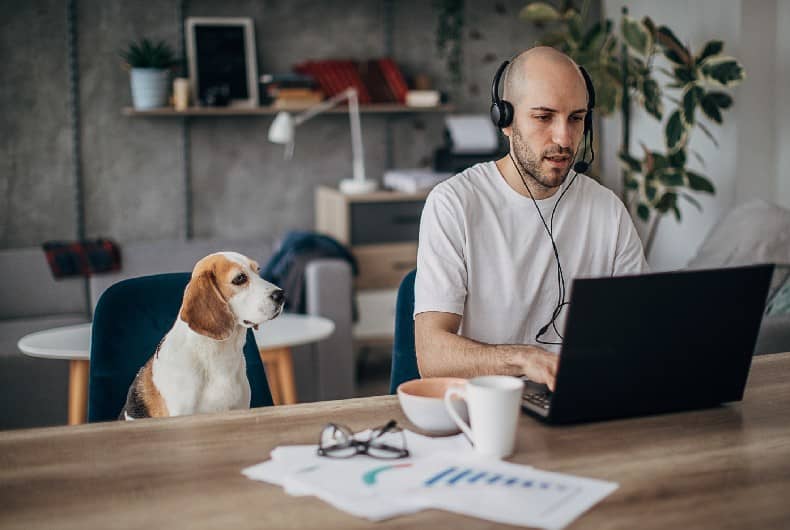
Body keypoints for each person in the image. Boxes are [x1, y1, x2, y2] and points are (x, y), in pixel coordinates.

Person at [414, 47, 648, 391]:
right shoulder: (454, 204)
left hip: (581, 403)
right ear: (505, 120)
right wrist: (525, 359)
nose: (564, 139)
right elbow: (432, 357)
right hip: (486, 412)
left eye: (576, 118)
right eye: (544, 117)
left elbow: (639, 331)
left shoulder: (607, 209)